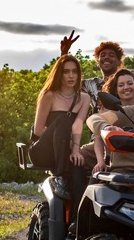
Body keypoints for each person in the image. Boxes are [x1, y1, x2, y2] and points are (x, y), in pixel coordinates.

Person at [60, 17, 134, 112]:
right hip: (102, 130)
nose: (106, 57)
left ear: (119, 61)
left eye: (111, 55)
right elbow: (64, 85)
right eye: (103, 55)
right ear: (98, 61)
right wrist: (64, 54)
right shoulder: (91, 85)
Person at [28, 54, 91, 200]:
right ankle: (60, 177)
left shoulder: (84, 98)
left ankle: (76, 220)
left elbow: (77, 124)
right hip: (43, 151)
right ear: (59, 74)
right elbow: (38, 131)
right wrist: (66, 143)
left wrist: (76, 150)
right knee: (63, 121)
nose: (71, 75)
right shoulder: (49, 95)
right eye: (66, 71)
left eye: (74, 71)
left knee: (79, 169)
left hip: (66, 152)